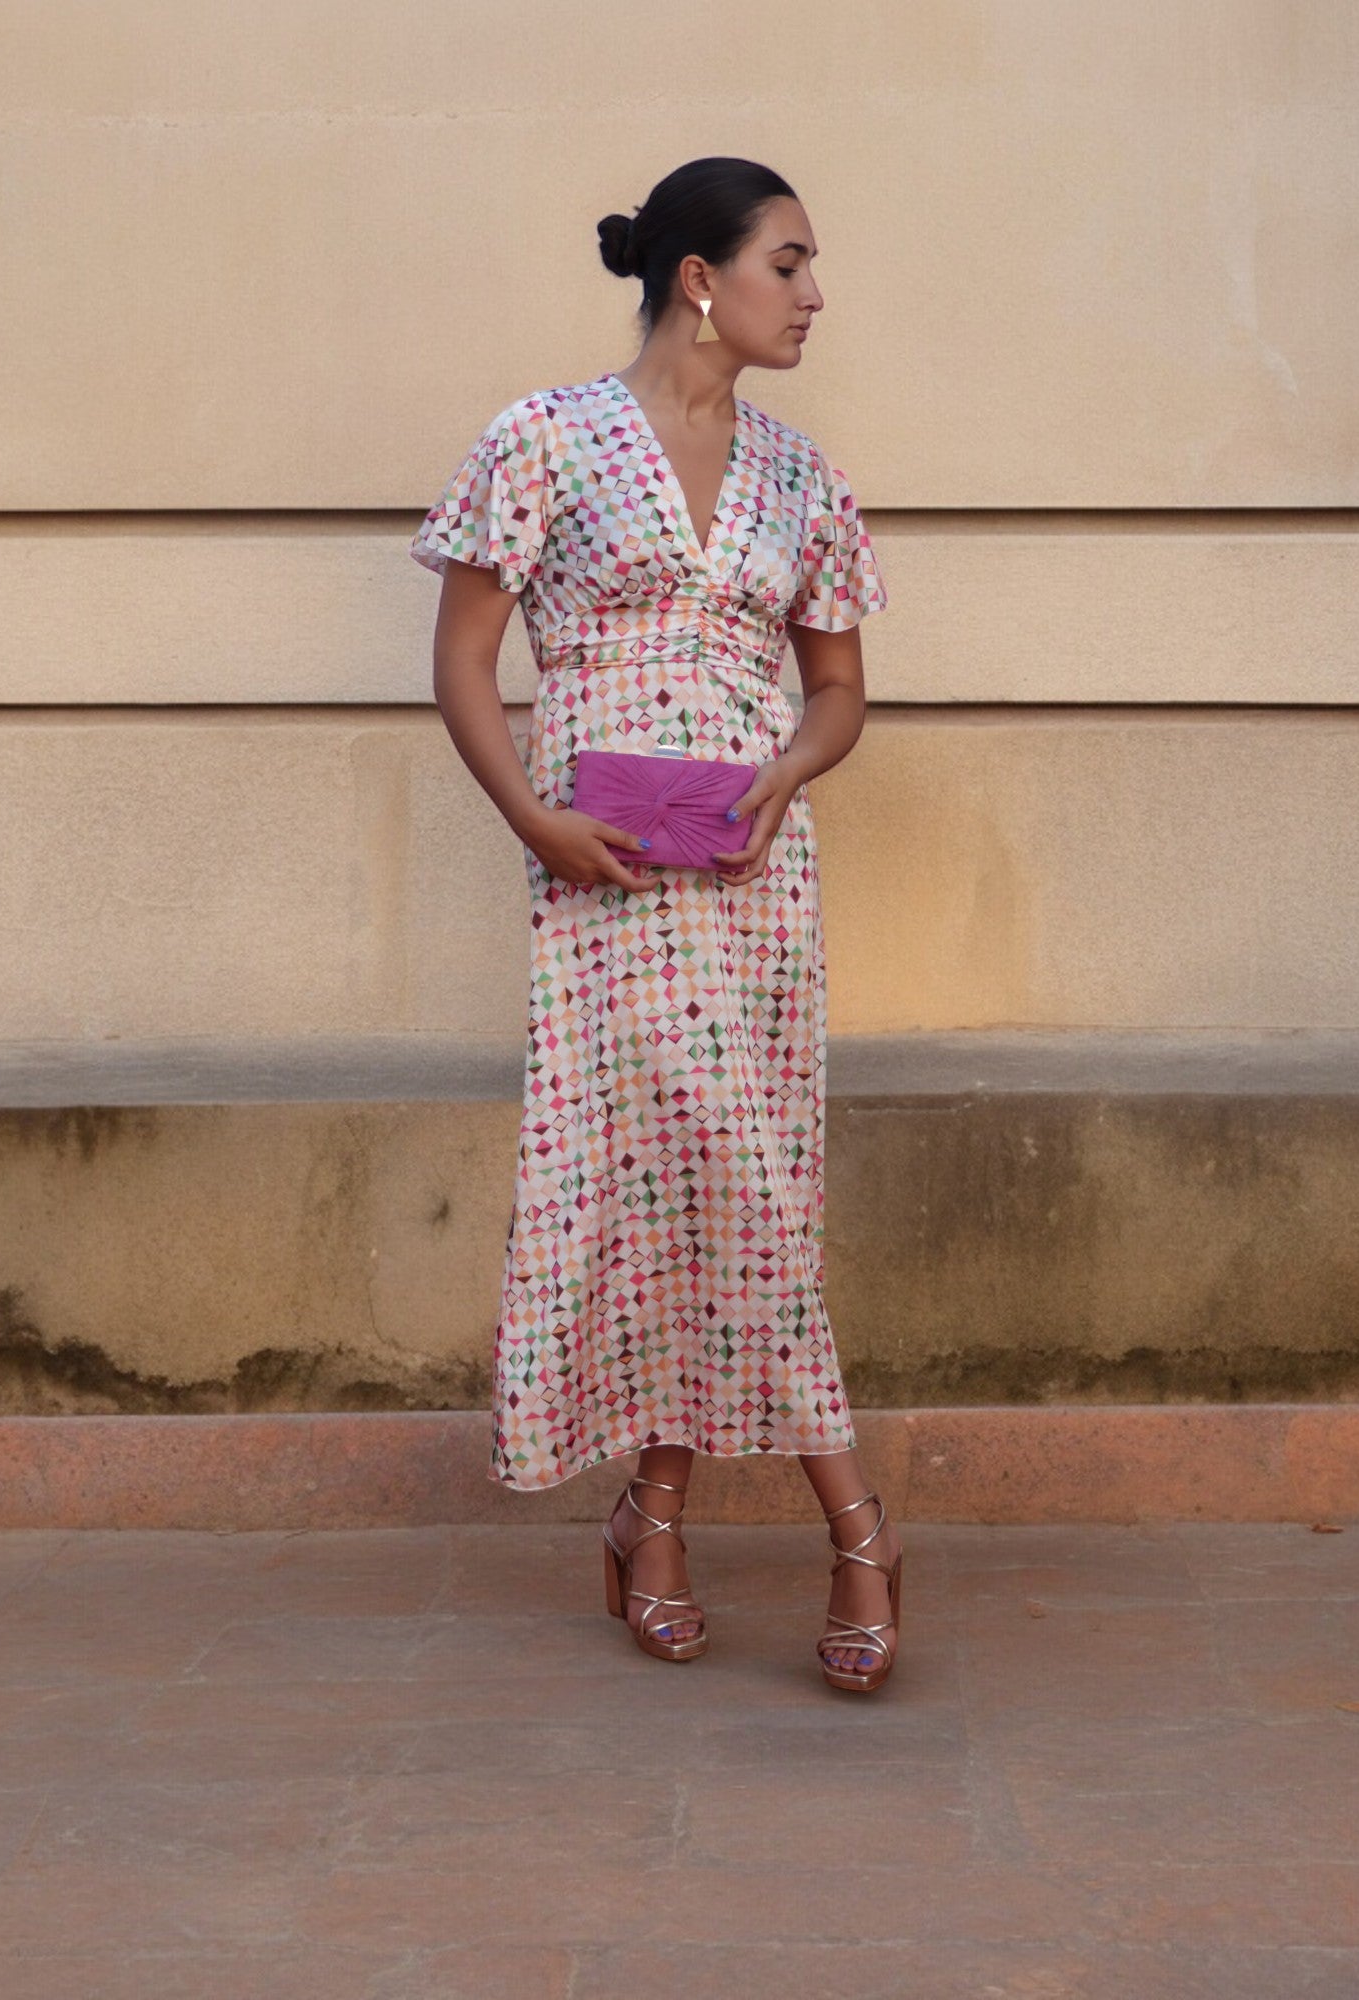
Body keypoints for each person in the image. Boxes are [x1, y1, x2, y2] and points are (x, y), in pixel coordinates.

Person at [411, 156, 900, 1693]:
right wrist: (533, 819)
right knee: (665, 1173)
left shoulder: (805, 479)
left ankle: (657, 1515)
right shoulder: (544, 440)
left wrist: (782, 777)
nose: (815, 295)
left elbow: (839, 695)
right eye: (791, 263)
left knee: (742, 1174)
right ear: (702, 275)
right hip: (606, 871)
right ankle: (857, 1527)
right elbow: (466, 665)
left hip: (752, 875)